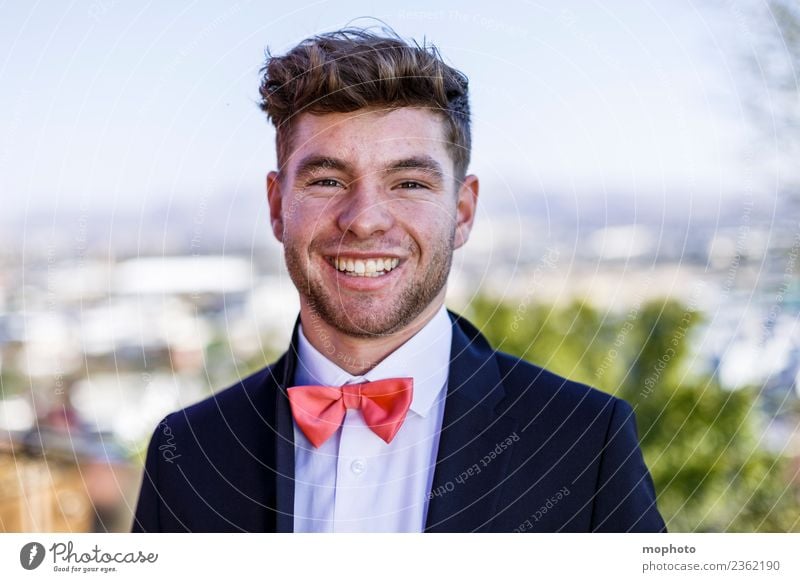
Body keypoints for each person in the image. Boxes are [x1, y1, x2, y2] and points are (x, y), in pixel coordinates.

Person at [131, 27, 666, 533]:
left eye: (408, 181)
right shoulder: (187, 454)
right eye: (327, 179)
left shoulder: (585, 443)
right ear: (277, 206)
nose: (365, 218)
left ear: (462, 210)